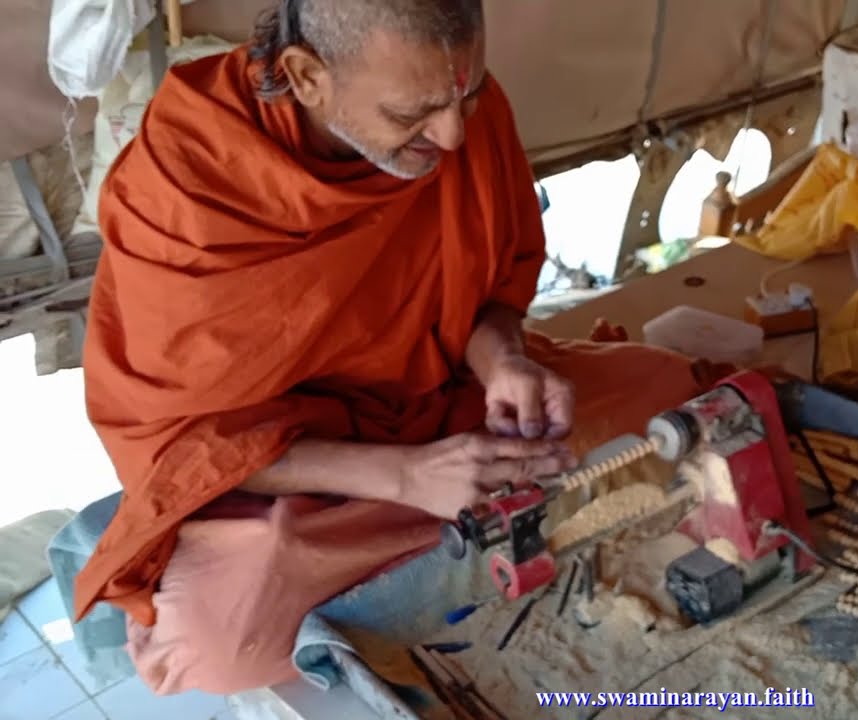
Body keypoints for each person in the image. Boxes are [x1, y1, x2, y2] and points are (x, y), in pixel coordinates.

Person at [72, 0, 715, 696]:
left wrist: (502, 360)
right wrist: (407, 478)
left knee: (671, 388)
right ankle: (487, 519)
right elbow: (190, 443)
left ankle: (472, 525)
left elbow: (490, 284)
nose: (452, 134)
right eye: (413, 116)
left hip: (441, 403)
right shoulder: (188, 182)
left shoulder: (454, 101)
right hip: (298, 470)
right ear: (306, 75)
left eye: (466, 97)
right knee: (213, 640)